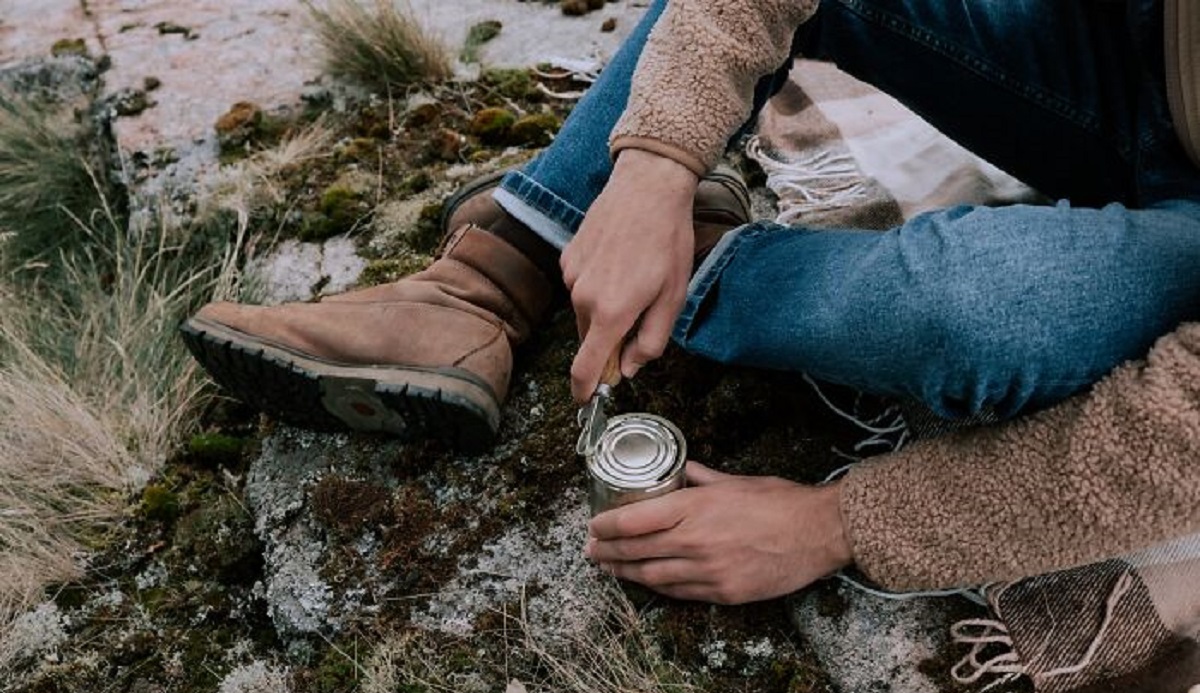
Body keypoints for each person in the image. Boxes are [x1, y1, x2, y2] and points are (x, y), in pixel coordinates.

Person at [182, 0, 1200, 604]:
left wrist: (845, 521)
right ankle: (499, 268)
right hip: (1132, 60)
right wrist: (657, 162)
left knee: (984, 315)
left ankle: (688, 259)